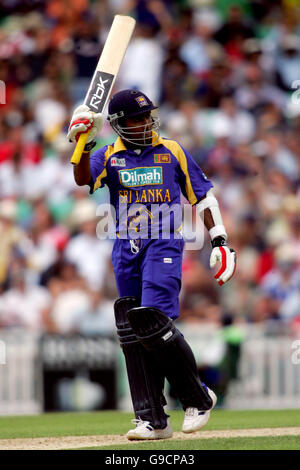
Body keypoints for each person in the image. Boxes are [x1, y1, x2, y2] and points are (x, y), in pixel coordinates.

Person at [67, 89, 237, 440]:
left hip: (164, 240)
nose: (146, 123)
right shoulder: (108, 155)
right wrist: (83, 142)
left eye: (148, 116)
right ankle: (152, 418)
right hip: (125, 246)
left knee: (152, 319)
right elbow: (83, 178)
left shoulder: (172, 150)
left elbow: (203, 196)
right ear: (117, 125)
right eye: (137, 119)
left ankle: (197, 396)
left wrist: (219, 241)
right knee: (133, 330)